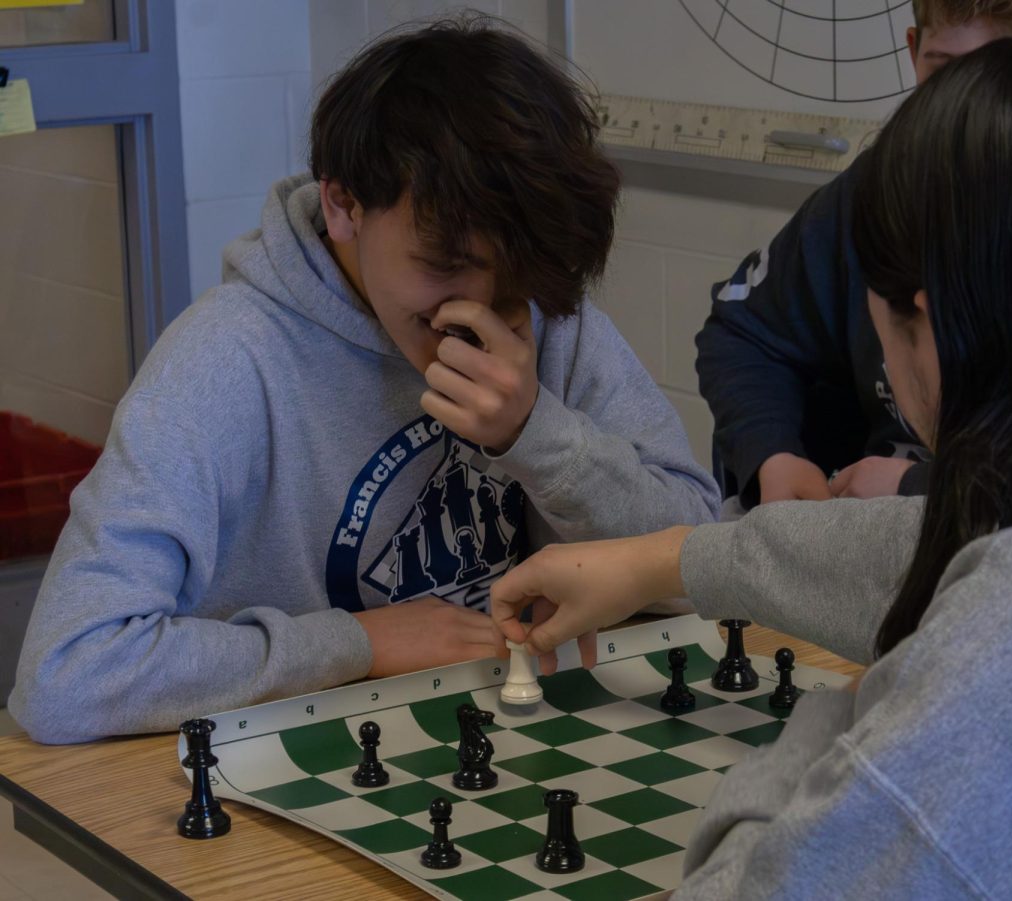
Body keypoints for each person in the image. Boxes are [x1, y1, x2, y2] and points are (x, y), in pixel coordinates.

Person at [493, 30, 1012, 895]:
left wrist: (862, 708)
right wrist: (665, 560)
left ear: (928, 327)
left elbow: (753, 884)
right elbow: (944, 544)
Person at [9, 19, 719, 744]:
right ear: (345, 205)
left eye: (507, 279)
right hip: (298, 777)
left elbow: (705, 564)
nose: (475, 310)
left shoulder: (541, 308)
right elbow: (67, 674)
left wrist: (534, 433)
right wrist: (357, 643)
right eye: (443, 263)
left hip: (513, 739)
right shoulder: (225, 359)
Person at [697, 0, 1012, 509]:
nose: (968, 111)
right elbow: (744, 332)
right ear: (916, 52)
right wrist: (775, 454)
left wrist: (918, 488)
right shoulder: (880, 188)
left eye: (1006, 76)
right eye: (947, 73)